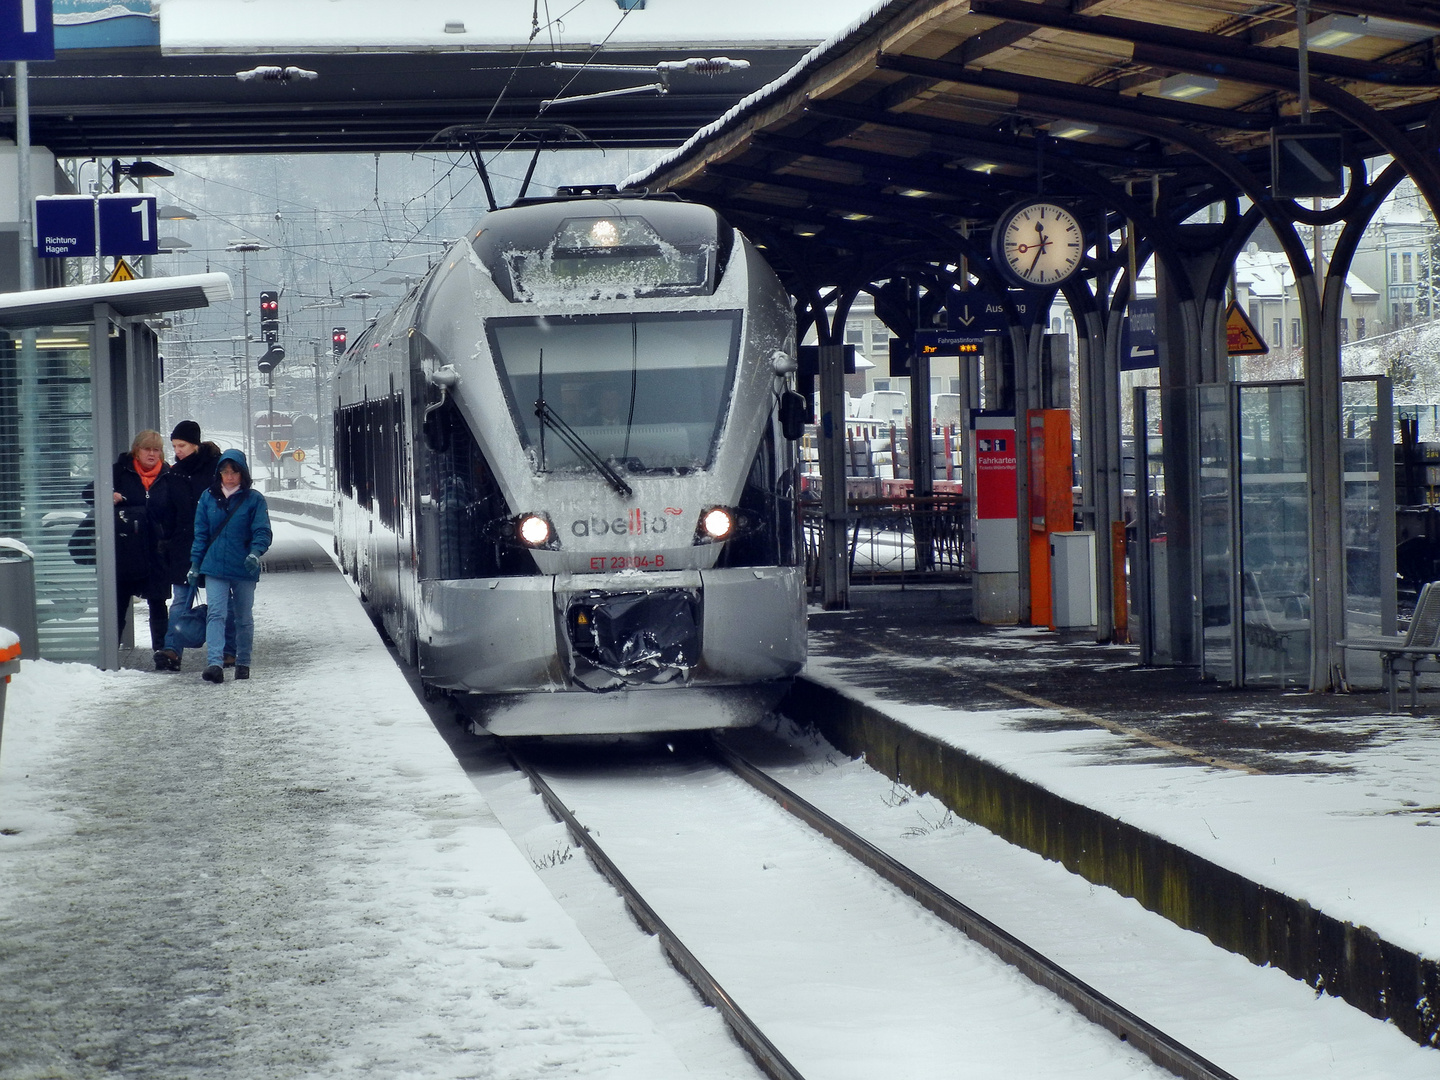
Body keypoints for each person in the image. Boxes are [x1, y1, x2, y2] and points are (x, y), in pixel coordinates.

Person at [152, 420, 230, 671]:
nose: (178, 451)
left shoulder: (217, 471)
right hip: (184, 547)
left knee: (221, 602)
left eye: (182, 445)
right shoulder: (174, 474)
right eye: (174, 446)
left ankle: (229, 651)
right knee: (180, 601)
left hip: (216, 546)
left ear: (195, 443)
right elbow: (169, 514)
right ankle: (172, 650)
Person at [189, 449, 271, 684]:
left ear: (242, 473)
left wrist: (255, 553)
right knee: (216, 613)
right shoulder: (208, 497)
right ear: (219, 474)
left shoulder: (254, 499)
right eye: (225, 472)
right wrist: (196, 564)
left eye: (234, 471)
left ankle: (243, 661)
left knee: (243, 617)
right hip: (215, 566)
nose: (230, 476)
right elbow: (201, 534)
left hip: (244, 567)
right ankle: (214, 663)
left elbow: (262, 530)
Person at [110, 430, 172, 663]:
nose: (152, 454)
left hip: (156, 551)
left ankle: (163, 654)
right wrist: (109, 495)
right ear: (137, 450)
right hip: (126, 552)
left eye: (156, 450)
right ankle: (110, 654)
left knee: (158, 603)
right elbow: (88, 492)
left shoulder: (167, 475)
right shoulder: (119, 472)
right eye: (147, 449)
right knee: (118, 604)